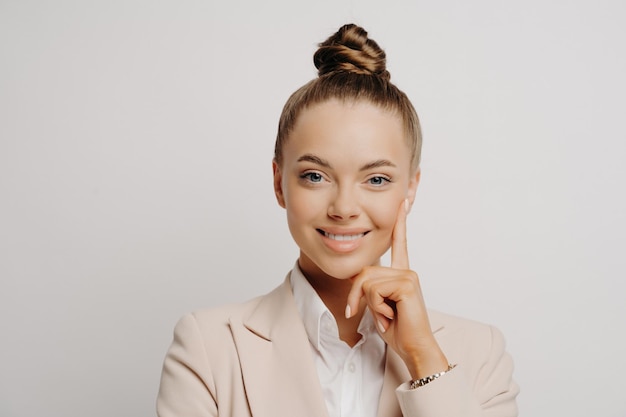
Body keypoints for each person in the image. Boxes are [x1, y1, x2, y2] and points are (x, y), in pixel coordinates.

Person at [156, 23, 519, 417]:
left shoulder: (479, 352)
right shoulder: (209, 347)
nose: (344, 207)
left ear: (410, 190)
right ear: (279, 184)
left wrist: (422, 357)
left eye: (376, 179)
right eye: (315, 175)